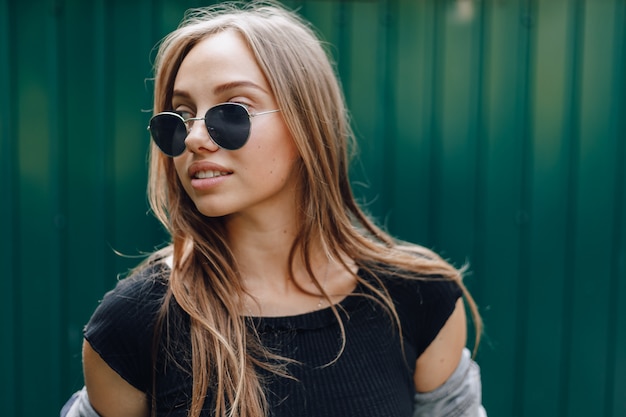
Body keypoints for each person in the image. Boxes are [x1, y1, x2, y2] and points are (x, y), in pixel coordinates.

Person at [61, 1, 486, 416]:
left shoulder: (419, 299)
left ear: (306, 123)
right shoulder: (132, 325)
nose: (193, 138)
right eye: (181, 115)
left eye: (234, 110)